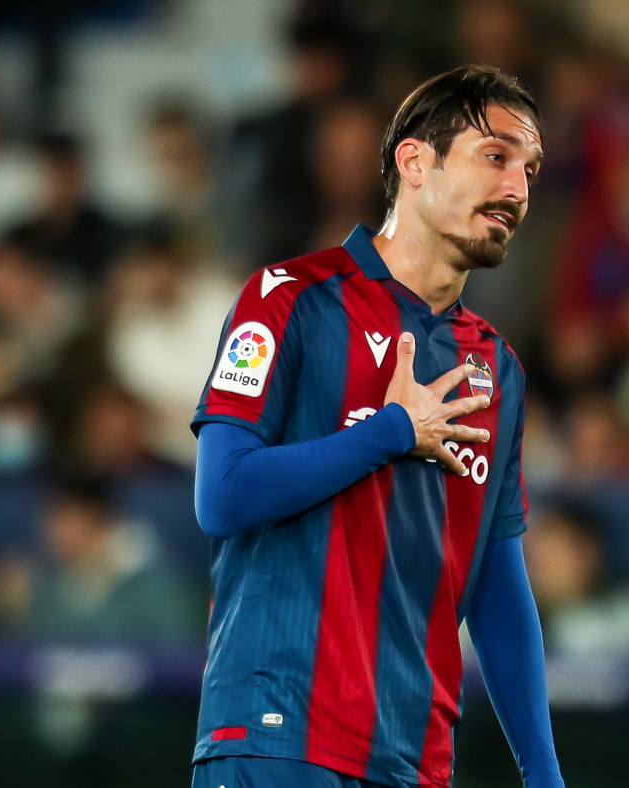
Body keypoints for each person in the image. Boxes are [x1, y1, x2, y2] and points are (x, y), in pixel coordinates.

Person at [189, 66, 563, 788]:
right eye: (496, 156)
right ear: (415, 162)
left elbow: (495, 584)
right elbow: (223, 495)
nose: (517, 188)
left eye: (530, 170)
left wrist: (543, 773)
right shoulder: (288, 299)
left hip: (413, 760)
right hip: (278, 736)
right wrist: (389, 432)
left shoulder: (497, 369)